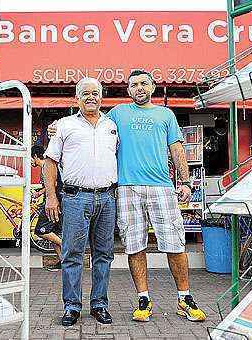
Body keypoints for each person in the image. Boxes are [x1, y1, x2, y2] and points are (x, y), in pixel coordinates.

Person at [49, 70, 206, 323]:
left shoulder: (165, 115)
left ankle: (184, 298)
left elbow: (176, 147)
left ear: (153, 87)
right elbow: (88, 120)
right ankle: (143, 299)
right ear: (128, 90)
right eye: (134, 85)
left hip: (162, 187)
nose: (139, 88)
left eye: (144, 83)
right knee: (134, 245)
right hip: (125, 189)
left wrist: (185, 181)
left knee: (175, 244)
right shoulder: (116, 115)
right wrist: (57, 126)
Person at [44, 77, 118, 326]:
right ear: (77, 98)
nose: (90, 97)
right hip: (75, 198)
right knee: (72, 254)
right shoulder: (65, 125)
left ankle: (99, 304)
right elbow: (50, 162)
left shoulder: (112, 124)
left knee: (104, 254)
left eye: (95, 93)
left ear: (101, 97)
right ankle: (72, 306)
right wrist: (51, 196)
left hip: (108, 197)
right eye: (85, 93)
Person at [31, 144, 63, 270]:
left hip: (53, 204)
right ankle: (63, 261)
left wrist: (39, 193)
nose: (30, 162)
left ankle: (66, 247)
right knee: (53, 233)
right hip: (56, 203)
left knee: (40, 230)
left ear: (34, 156)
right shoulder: (44, 167)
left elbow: (54, 183)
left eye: (30, 159)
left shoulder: (46, 166)